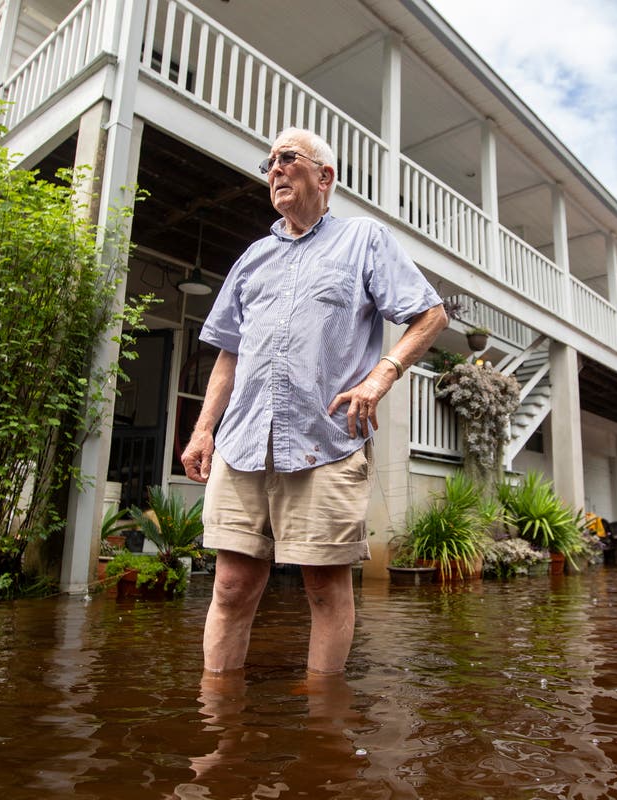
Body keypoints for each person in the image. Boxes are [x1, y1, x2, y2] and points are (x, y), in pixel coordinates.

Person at [181, 127, 448, 676]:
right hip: (243, 442)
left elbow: (431, 315)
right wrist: (204, 429)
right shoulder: (252, 258)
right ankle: (218, 716)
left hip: (323, 443)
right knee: (230, 587)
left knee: (325, 588)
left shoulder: (364, 240)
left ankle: (323, 725)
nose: (274, 169)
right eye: (269, 163)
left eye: (286, 158)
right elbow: (229, 354)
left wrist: (382, 376)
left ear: (325, 176)